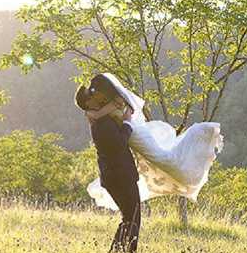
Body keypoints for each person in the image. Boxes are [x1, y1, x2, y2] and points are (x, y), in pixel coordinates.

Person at [79, 73, 224, 212]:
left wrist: (93, 113)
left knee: (162, 157)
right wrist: (92, 112)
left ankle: (200, 132)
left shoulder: (113, 102)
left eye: (93, 91)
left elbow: (113, 108)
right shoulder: (102, 107)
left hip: (135, 133)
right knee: (162, 157)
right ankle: (199, 137)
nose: (93, 93)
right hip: (131, 135)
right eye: (90, 93)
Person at [75, 74, 141, 253]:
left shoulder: (101, 118)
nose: (97, 94)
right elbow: (120, 144)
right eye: (92, 93)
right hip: (119, 176)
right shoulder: (101, 124)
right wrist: (127, 123)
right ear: (89, 103)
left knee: (129, 218)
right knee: (132, 218)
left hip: (117, 176)